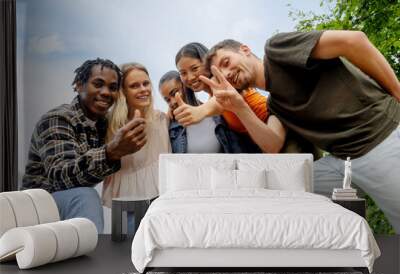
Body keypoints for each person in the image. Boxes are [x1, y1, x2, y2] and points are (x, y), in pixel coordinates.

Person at [201, 30, 400, 232]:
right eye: (219, 74)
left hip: (380, 139)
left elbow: (353, 40)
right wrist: (239, 107)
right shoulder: (276, 105)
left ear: (245, 50)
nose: (226, 74)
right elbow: (272, 144)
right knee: (280, 190)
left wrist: (397, 92)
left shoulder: (277, 50)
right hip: (341, 161)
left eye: (226, 63)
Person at [22, 58, 147, 233]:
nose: (105, 92)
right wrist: (111, 152)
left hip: (67, 204)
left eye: (112, 88)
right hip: (36, 206)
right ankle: (90, 255)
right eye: (98, 84)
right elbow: (61, 176)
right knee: (85, 195)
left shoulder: (104, 124)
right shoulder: (58, 119)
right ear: (78, 85)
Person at [102, 62, 171, 233]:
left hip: (162, 197)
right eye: (134, 86)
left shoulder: (162, 119)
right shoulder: (111, 126)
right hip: (131, 197)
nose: (143, 89)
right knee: (133, 246)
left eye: (146, 83)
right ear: (123, 92)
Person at [173, 42, 264, 152]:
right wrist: (172, 108)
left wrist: (200, 111)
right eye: (183, 73)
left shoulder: (222, 81)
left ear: (206, 64)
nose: (190, 77)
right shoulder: (210, 96)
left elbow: (218, 101)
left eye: (195, 68)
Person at [159, 70, 243, 153]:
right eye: (167, 100)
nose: (172, 102)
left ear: (185, 86)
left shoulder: (216, 114)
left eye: (174, 93)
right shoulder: (171, 127)